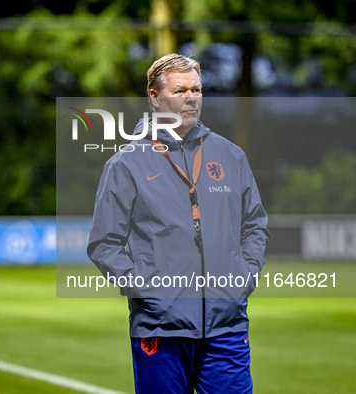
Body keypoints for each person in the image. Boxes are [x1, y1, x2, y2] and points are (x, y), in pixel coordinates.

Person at [87, 53, 269, 393]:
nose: (191, 98)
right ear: (155, 97)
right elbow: (104, 243)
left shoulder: (231, 155)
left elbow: (255, 225)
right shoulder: (126, 164)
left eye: (197, 90)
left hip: (226, 324)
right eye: (180, 90)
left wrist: (246, 276)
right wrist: (148, 290)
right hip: (161, 327)